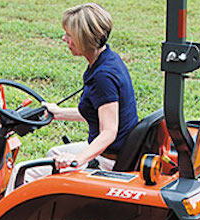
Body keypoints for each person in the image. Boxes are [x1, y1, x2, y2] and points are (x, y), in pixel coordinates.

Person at [28, 2, 138, 183]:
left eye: (69, 35)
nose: (64, 39)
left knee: (25, 172)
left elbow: (109, 131)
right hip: (117, 150)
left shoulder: (103, 76)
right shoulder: (107, 59)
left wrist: (76, 160)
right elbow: (100, 112)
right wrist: (58, 113)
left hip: (108, 160)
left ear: (84, 39)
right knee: (52, 154)